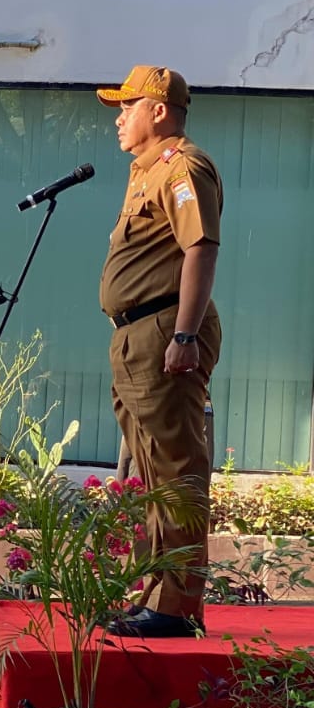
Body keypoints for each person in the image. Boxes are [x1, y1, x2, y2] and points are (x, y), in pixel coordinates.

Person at [95, 66, 223, 639]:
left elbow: (201, 250)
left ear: (160, 110)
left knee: (175, 468)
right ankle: (154, 594)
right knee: (151, 470)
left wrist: (185, 336)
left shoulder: (183, 167)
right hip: (138, 334)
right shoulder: (146, 170)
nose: (119, 118)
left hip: (167, 331)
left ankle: (177, 607)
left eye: (128, 106)